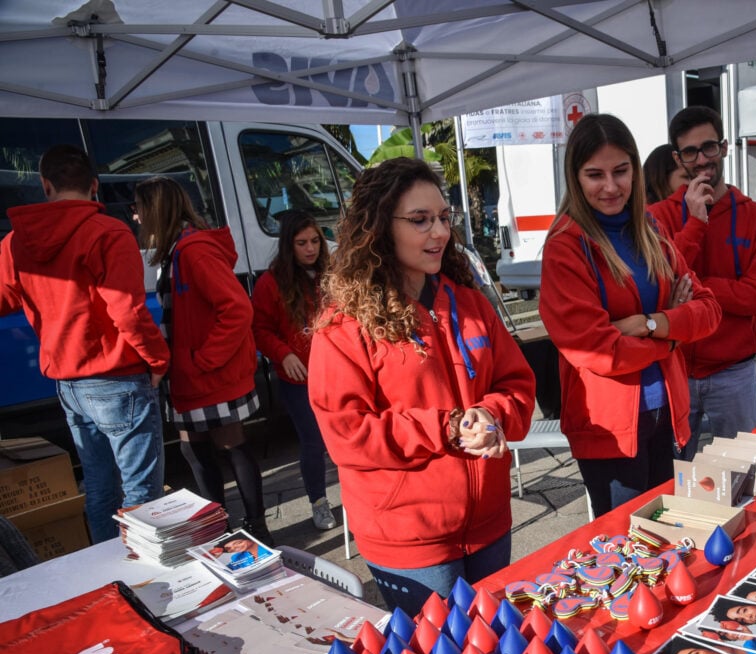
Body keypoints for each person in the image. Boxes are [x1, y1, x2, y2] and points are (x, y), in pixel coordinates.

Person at [308, 157, 535, 617]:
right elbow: (348, 434)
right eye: (420, 220)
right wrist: (447, 427)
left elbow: (518, 383)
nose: (439, 233)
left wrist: (491, 415)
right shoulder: (344, 326)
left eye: (443, 218)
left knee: (498, 653)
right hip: (410, 540)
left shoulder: (468, 302)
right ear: (378, 228)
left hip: (490, 522)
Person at [539, 113, 721, 517]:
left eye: (621, 171)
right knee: (629, 547)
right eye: (595, 175)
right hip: (609, 431)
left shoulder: (650, 229)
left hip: (669, 417)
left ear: (636, 171)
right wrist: (671, 331)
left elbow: (709, 309)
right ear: (575, 177)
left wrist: (648, 323)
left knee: (670, 534)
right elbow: (596, 350)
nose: (610, 186)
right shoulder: (565, 246)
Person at [0, 145, 170, 543]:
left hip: (67, 382)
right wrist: (158, 360)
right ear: (95, 186)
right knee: (141, 495)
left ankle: (110, 575)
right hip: (117, 377)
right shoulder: (108, 232)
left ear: (45, 186)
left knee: (98, 488)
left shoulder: (14, 243)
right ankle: (143, 577)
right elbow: (126, 310)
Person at [134, 177, 270, 543]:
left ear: (156, 210)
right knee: (194, 449)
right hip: (192, 376)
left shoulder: (193, 251)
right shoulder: (177, 249)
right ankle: (220, 528)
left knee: (228, 445)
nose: (135, 217)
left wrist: (204, 358)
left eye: (139, 209)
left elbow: (237, 308)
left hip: (207, 375)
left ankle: (256, 528)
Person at [649, 106, 756, 458]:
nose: (702, 159)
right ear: (678, 157)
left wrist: (697, 286)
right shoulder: (658, 216)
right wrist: (694, 223)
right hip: (675, 368)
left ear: (724, 147)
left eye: (708, 147)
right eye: (690, 152)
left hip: (734, 371)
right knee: (673, 482)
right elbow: (657, 288)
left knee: (748, 473)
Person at [251, 210, 338, 531]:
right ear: (288, 245)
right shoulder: (270, 283)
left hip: (337, 375)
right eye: (302, 243)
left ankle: (360, 498)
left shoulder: (332, 275)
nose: (311, 248)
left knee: (344, 439)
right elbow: (259, 328)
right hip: (298, 380)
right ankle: (319, 501)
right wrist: (283, 353)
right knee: (313, 442)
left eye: (315, 241)